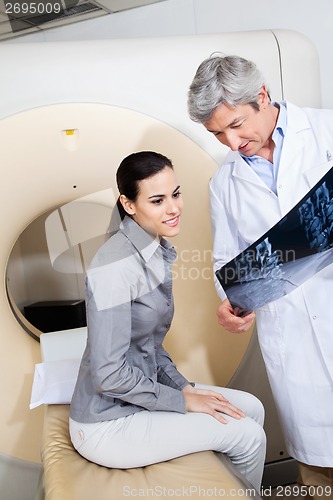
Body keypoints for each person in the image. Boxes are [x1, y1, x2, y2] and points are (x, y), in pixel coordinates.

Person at [69, 151, 266, 492]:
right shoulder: (115, 267)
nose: (173, 208)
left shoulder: (154, 248)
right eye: (157, 200)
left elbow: (150, 346)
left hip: (136, 396)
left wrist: (183, 387)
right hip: (107, 422)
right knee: (246, 434)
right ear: (128, 205)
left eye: (175, 194)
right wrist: (182, 400)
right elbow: (108, 373)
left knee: (252, 408)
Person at [187, 55, 333, 495]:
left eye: (236, 125)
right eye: (216, 134)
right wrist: (232, 304)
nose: (231, 143)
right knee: (318, 473)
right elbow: (225, 263)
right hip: (292, 336)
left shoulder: (326, 132)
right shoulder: (224, 182)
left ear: (262, 97)